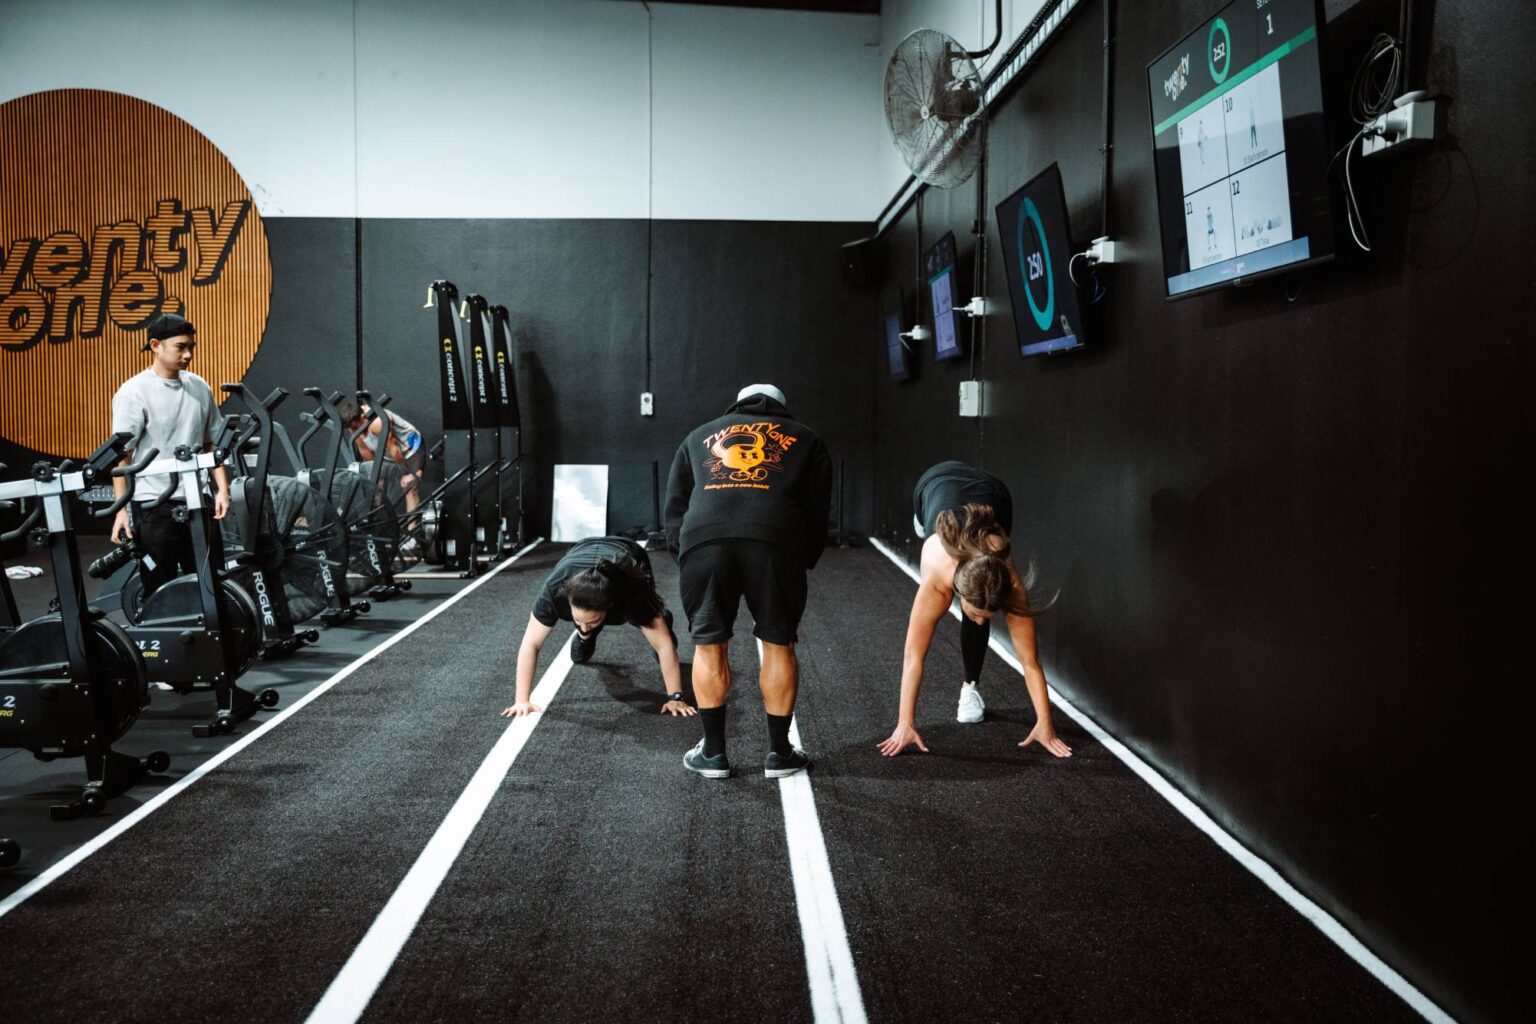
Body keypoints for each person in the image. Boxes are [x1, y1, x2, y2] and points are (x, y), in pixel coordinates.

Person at [664, 383, 832, 779]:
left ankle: (714, 755)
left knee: (708, 645)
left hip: (704, 543)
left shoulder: (698, 435)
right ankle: (778, 754)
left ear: (736, 404)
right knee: (778, 643)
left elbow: (675, 507)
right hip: (775, 542)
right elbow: (818, 510)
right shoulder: (806, 438)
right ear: (782, 408)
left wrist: (685, 554)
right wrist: (802, 558)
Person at [877, 460, 1072, 760]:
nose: (983, 619)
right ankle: (922, 522)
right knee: (924, 529)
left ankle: (970, 686)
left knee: (982, 614)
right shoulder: (936, 581)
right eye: (976, 610)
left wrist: (1045, 724)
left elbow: (1030, 661)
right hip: (934, 480)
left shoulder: (1009, 581)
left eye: (988, 615)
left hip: (993, 493)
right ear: (957, 593)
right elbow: (913, 656)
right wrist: (905, 724)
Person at [500, 536, 690, 718]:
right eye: (578, 620)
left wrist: (676, 697)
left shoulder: (631, 593)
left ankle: (659, 617)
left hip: (630, 555)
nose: (583, 624)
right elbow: (531, 643)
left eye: (592, 621)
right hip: (581, 548)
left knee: (657, 630)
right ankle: (586, 636)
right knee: (580, 654)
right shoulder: (554, 590)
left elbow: (664, 646)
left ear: (609, 607)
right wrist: (522, 700)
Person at [109, 313, 229, 598]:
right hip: (154, 505)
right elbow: (121, 458)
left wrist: (222, 490)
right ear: (155, 345)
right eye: (180, 347)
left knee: (212, 583)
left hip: (198, 500)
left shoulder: (200, 387)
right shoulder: (134, 392)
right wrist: (121, 512)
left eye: (191, 347)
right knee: (160, 588)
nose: (188, 354)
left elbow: (213, 445)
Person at [337, 397, 424, 518]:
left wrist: (406, 472)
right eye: (351, 428)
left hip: (411, 449)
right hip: (388, 453)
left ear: (362, 417)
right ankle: (378, 525)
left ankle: (412, 530)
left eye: (355, 426)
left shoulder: (377, 422)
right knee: (375, 487)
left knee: (409, 486)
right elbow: (365, 451)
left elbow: (395, 450)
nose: (353, 429)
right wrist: (375, 477)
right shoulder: (353, 424)